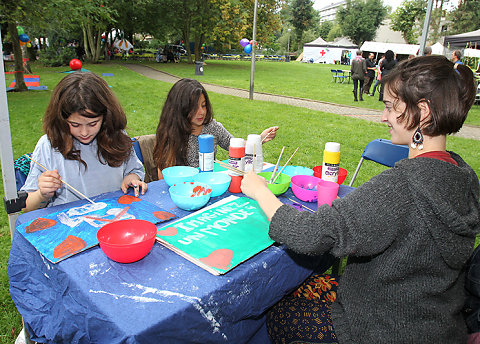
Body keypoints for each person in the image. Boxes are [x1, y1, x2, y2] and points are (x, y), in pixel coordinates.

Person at [240, 55, 480, 343]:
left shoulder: (401, 188)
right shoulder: (463, 175)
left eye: (391, 107)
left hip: (379, 329)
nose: (383, 117)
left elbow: (311, 235)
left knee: (278, 313)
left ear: (423, 112)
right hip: (436, 326)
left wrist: (258, 189)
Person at [22, 72, 147, 212]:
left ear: (106, 117)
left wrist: (131, 179)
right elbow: (28, 208)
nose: (84, 132)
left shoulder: (117, 136)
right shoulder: (49, 145)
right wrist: (42, 194)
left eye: (93, 124)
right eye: (75, 125)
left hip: (115, 217)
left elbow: (134, 170)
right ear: (62, 119)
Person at [153, 78, 278, 180]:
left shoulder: (212, 127)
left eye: (203, 105)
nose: (201, 112)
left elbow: (235, 145)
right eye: (194, 108)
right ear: (180, 108)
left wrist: (260, 139)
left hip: (209, 184)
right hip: (183, 189)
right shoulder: (172, 132)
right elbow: (163, 175)